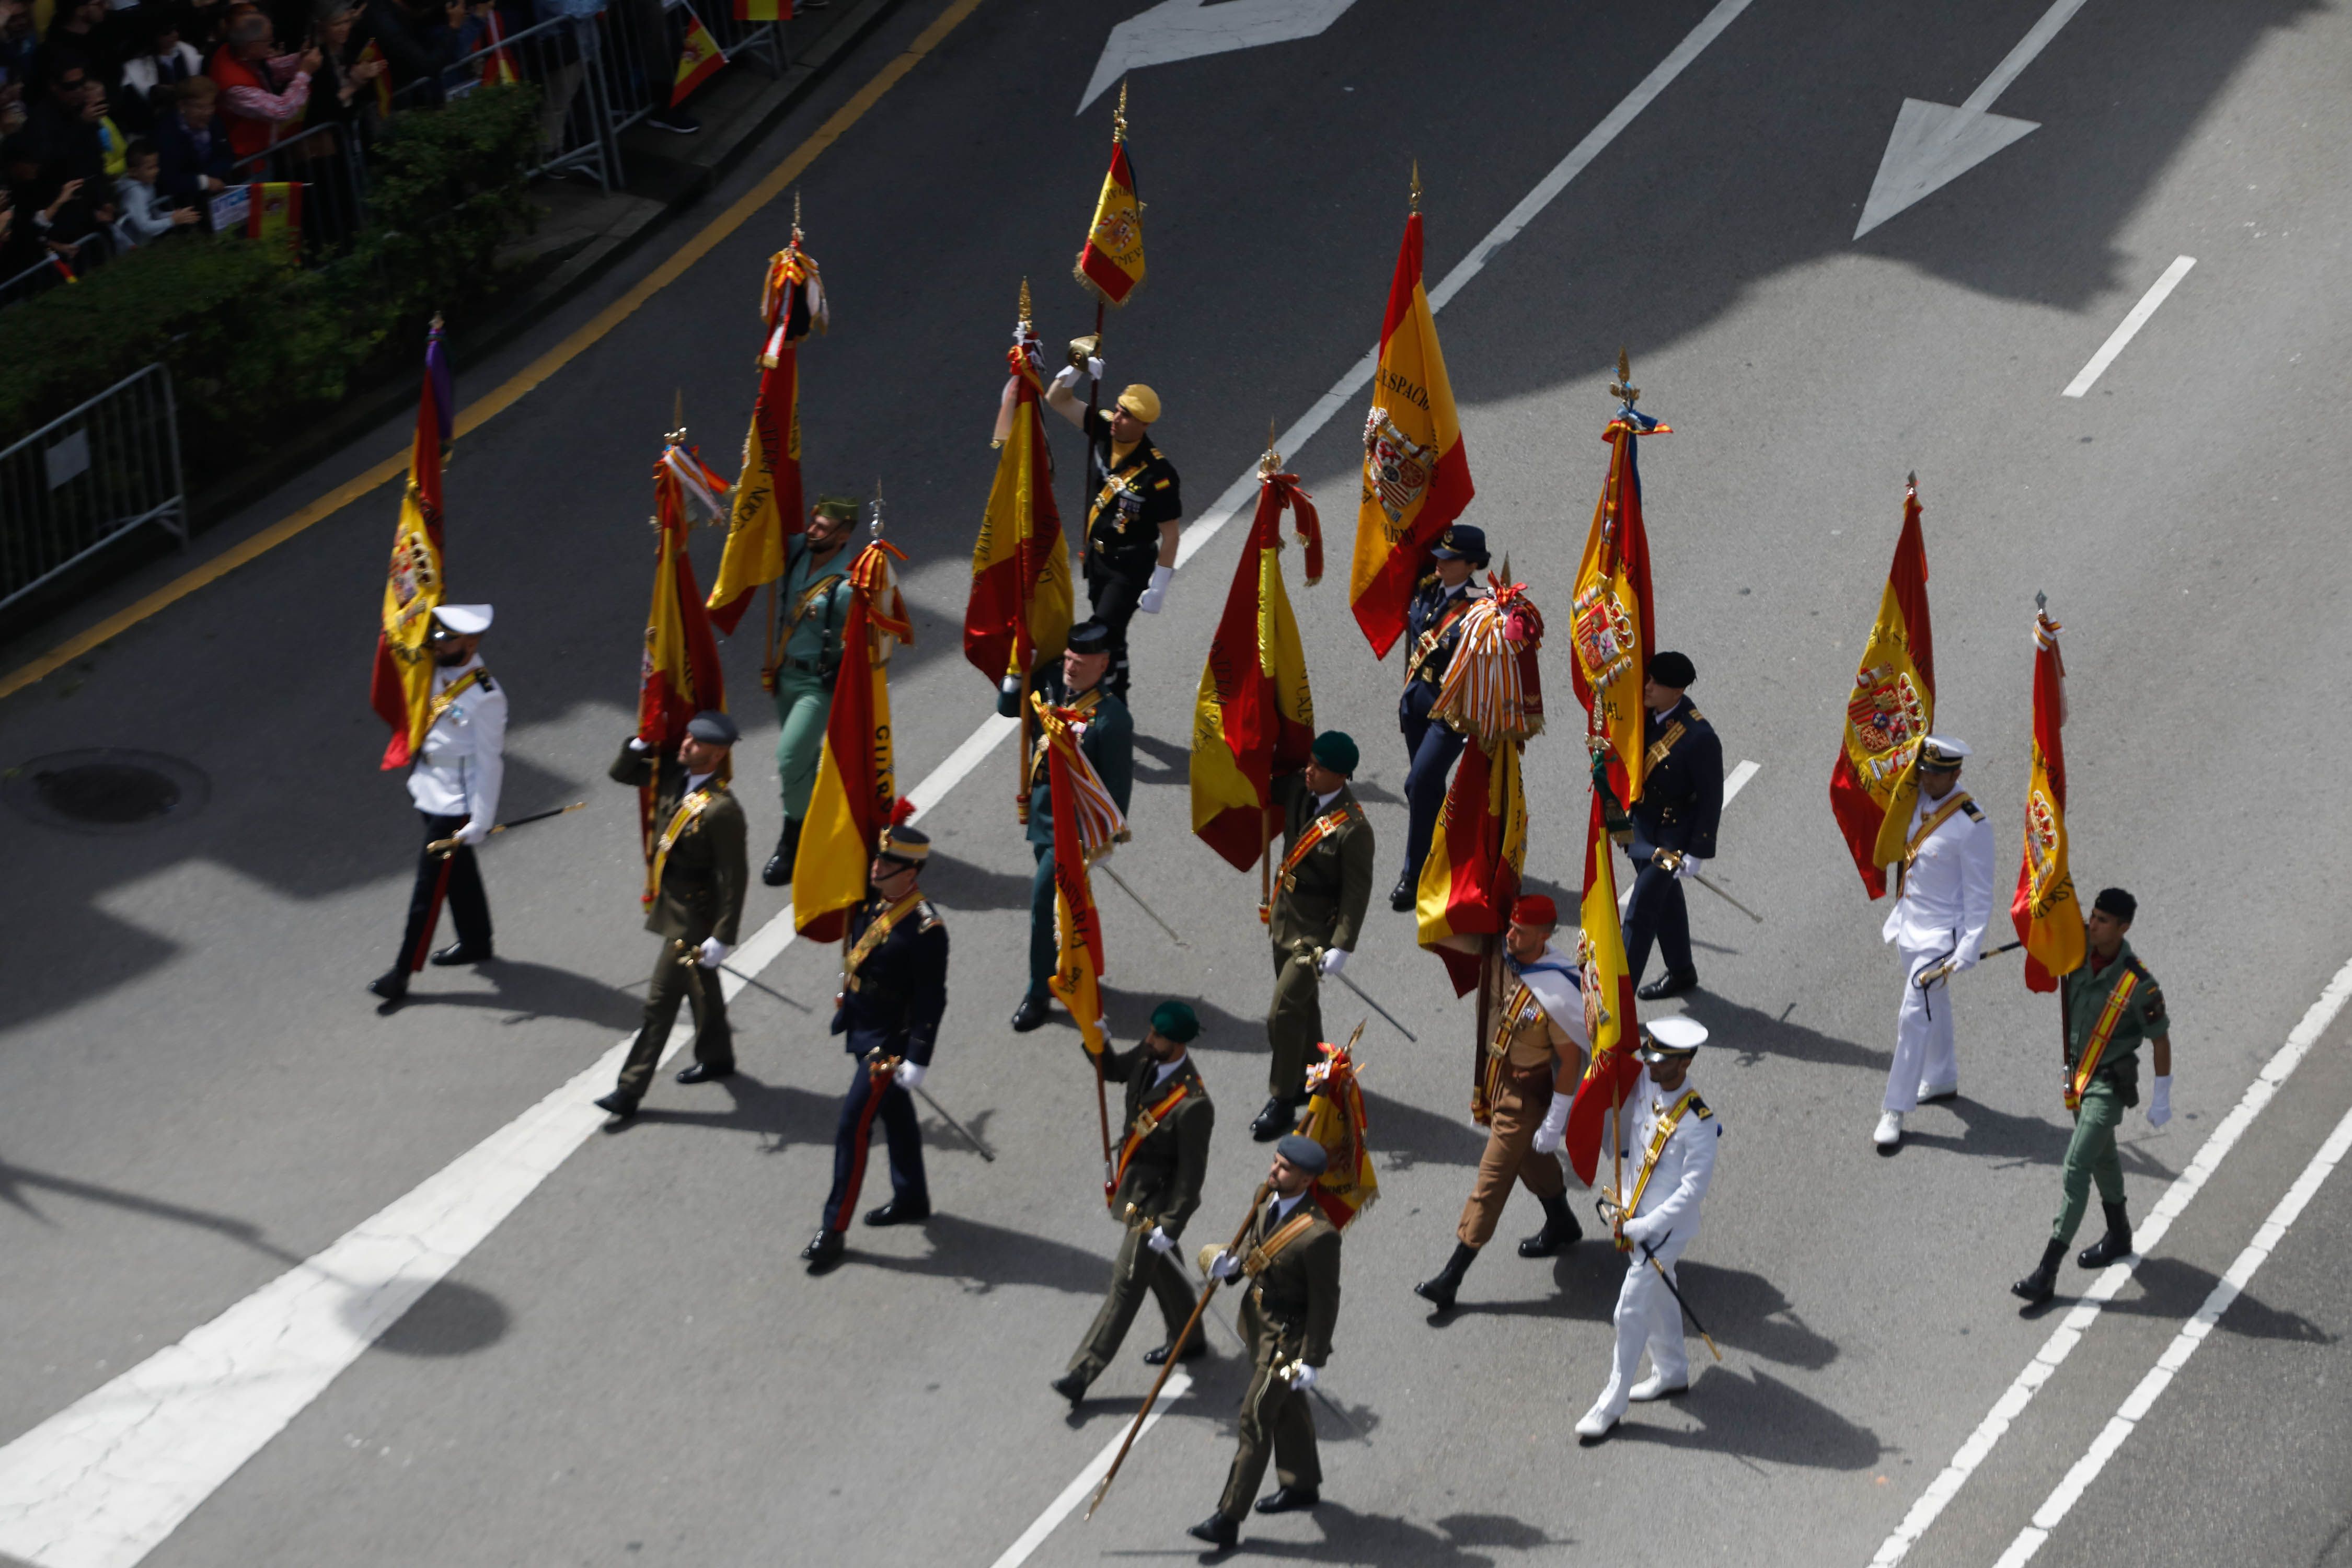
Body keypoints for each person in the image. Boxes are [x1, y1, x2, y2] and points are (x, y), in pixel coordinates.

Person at [1413, 893, 1588, 1312]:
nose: (1510, 935)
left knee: (1490, 1182)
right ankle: (1562, 1221)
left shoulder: (1557, 987)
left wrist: (1556, 1121)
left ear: (1544, 936)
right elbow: (1440, 930)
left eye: (1520, 931)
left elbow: (1569, 1061)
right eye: (1509, 926)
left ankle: (1451, 1277)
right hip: (1498, 1082)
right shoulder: (1499, 949)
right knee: (1527, 1158)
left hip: (1528, 1097)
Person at [801, 822, 950, 1275]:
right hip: (864, 1024)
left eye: (888, 863)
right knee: (896, 1116)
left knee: (853, 1128)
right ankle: (912, 1196)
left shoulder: (926, 929)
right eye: (878, 858)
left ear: (912, 872)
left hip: (889, 1044)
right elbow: (862, 952)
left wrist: (919, 1057)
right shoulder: (871, 900)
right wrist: (850, 991)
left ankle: (834, 1230)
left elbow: (930, 999)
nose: (877, 866)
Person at [2013, 888, 2173, 1305]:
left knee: (2076, 1166)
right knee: (2103, 1157)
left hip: (2108, 1086)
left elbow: (2160, 1039)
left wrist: (2162, 1096)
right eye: (2094, 916)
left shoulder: (2140, 985)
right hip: (2078, 1080)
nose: (2094, 924)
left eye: (2103, 920)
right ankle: (2119, 1234)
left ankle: (2047, 1270)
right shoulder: (2077, 946)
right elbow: (2046, 930)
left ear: (2124, 928)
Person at [1052, 999, 1215, 1406]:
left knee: (1126, 1282)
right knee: (1161, 1269)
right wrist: (1098, 1042)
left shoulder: (1193, 1104)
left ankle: (1082, 1371)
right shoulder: (1146, 1057)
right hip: (1133, 1187)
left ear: (1178, 1045)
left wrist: (1169, 1226)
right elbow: (1114, 1072)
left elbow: (1191, 1180)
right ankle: (1189, 1337)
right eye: (1151, 1032)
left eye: (1158, 1036)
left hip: (1156, 1202)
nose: (1149, 1039)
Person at [1186, 1135, 1343, 1551]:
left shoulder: (1320, 1236)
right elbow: (1252, 1247)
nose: (1273, 1172)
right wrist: (1230, 1262)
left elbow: (1325, 1303)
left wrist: (1312, 1359)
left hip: (1287, 1340)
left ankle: (1228, 1518)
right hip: (1258, 1322)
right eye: (1274, 1163)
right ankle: (1301, 1484)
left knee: (1254, 1419)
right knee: (1286, 1408)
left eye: (1284, 1168)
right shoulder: (1266, 1196)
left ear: (1307, 1178)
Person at [594, 711, 748, 1122]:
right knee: (701, 987)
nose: (685, 744)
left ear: (716, 756)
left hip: (695, 915)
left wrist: (723, 935)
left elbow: (735, 875)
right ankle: (717, 1057)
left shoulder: (721, 810)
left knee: (659, 1004)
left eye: (697, 744)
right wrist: (639, 745)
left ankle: (629, 1091)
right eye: (687, 738)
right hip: (672, 902)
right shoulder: (670, 776)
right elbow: (622, 774)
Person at [1575, 1016, 1719, 1441]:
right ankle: (1672, 1369)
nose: (1651, 1067)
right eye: (1650, 1057)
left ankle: (1611, 1405)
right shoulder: (1646, 1087)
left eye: (1662, 1062)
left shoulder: (1699, 1123)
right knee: (1662, 1287)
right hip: (1636, 1215)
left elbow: (1692, 1192)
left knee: (1629, 1311)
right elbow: (1632, 1147)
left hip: (1667, 1230)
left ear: (1687, 1061)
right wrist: (1624, 1205)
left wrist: (1644, 1226)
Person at [997, 618, 1133, 1033]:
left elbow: (1115, 792)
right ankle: (1075, 967)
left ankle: (1039, 992)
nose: (1071, 667)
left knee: (1042, 906)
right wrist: (1017, 670)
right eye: (1069, 659)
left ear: (1103, 663)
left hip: (1072, 834)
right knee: (1064, 910)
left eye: (1081, 661)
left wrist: (1101, 843)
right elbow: (1008, 709)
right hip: (1041, 816)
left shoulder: (1111, 719)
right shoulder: (1052, 684)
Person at [367, 603, 506, 1011]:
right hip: (429, 784)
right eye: (436, 637)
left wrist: (481, 818)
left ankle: (402, 973)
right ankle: (477, 940)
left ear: (472, 642)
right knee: (459, 870)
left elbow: (489, 762)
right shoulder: (430, 668)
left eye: (447, 639)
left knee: (427, 889)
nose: (437, 644)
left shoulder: (487, 697)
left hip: (457, 802)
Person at [1874, 735, 1994, 1151]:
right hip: (1910, 924)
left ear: (1957, 774)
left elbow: (1980, 893)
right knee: (1933, 1006)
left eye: (1938, 773)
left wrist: (1970, 945)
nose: (1928, 778)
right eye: (1924, 770)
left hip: (1943, 937)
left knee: (1913, 1014)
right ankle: (1941, 1075)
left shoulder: (1971, 825)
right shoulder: (1914, 802)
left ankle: (1894, 1108)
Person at [1256, 732, 1375, 1142]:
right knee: (1302, 1009)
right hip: (1284, 916)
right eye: (1309, 762)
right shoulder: (1298, 788)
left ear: (1341, 776)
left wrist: (1342, 945)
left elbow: (1356, 893)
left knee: (1283, 1013)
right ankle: (1316, 1076)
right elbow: (1256, 778)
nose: (1309, 771)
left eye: (1319, 768)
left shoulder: (1354, 828)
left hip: (1315, 934)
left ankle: (1283, 1098)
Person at [1043, 356, 1180, 702]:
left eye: (1126, 415)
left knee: (1101, 632)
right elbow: (1057, 400)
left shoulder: (1157, 474)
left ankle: (1110, 701)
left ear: (1144, 424)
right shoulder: (1105, 428)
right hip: (1097, 558)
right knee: (1113, 637)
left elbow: (1171, 534)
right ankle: (1114, 690)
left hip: (1129, 567)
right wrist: (1076, 368)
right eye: (1117, 409)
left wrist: (1159, 587)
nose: (1116, 417)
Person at [1390, 523, 1490, 912]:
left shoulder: (1481, 606)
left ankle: (1413, 875)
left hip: (1450, 713)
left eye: (1449, 560)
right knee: (1428, 789)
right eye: (1439, 556)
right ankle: (1452, 854)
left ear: (1471, 565)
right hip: (1416, 701)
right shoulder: (1426, 587)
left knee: (1418, 783)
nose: (1440, 563)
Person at [760, 494, 858, 886]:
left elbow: (864, 642)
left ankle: (794, 839)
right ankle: (834, 823)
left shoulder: (848, 585)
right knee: (803, 764)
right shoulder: (799, 552)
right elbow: (760, 533)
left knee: (789, 758)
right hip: (784, 676)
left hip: (817, 685)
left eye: (822, 527)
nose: (812, 531)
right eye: (812, 522)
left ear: (843, 535)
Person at [1620, 650, 1724, 999]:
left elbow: (1711, 798)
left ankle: (1616, 1008)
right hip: (1641, 830)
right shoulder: (1646, 713)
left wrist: (1697, 851)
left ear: (1677, 692)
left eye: (1656, 683)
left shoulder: (1698, 737)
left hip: (1670, 841)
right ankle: (1682, 971)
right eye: (1649, 678)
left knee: (1641, 911)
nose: (1647, 686)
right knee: (1666, 901)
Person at [208, 12, 317, 163]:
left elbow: (270, 69)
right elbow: (281, 110)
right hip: (248, 161)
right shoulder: (235, 87)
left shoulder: (237, 52)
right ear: (252, 47)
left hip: (262, 148)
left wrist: (299, 60)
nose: (272, 43)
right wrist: (305, 73)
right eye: (268, 40)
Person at [153, 74, 230, 202]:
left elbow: (227, 155)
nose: (208, 112)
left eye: (211, 105)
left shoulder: (215, 122)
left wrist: (211, 175)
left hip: (214, 197)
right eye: (200, 107)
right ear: (182, 106)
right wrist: (203, 182)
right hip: (184, 206)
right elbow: (167, 179)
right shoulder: (166, 134)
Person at [112, 133, 195, 243]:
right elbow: (145, 227)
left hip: (142, 244)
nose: (156, 171)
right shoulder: (136, 193)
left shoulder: (147, 183)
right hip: (130, 249)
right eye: (150, 168)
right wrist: (172, 221)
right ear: (133, 172)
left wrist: (176, 216)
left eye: (156, 166)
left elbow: (154, 214)